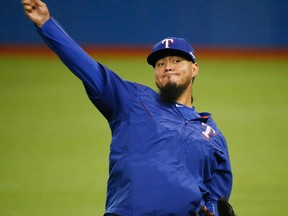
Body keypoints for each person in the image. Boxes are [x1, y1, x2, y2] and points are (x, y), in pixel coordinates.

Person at [21, 0, 235, 215]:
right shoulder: (132, 100)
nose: (167, 66)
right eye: (160, 64)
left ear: (195, 68)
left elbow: (216, 199)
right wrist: (46, 24)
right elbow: (86, 66)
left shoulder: (212, 135)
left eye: (177, 60)